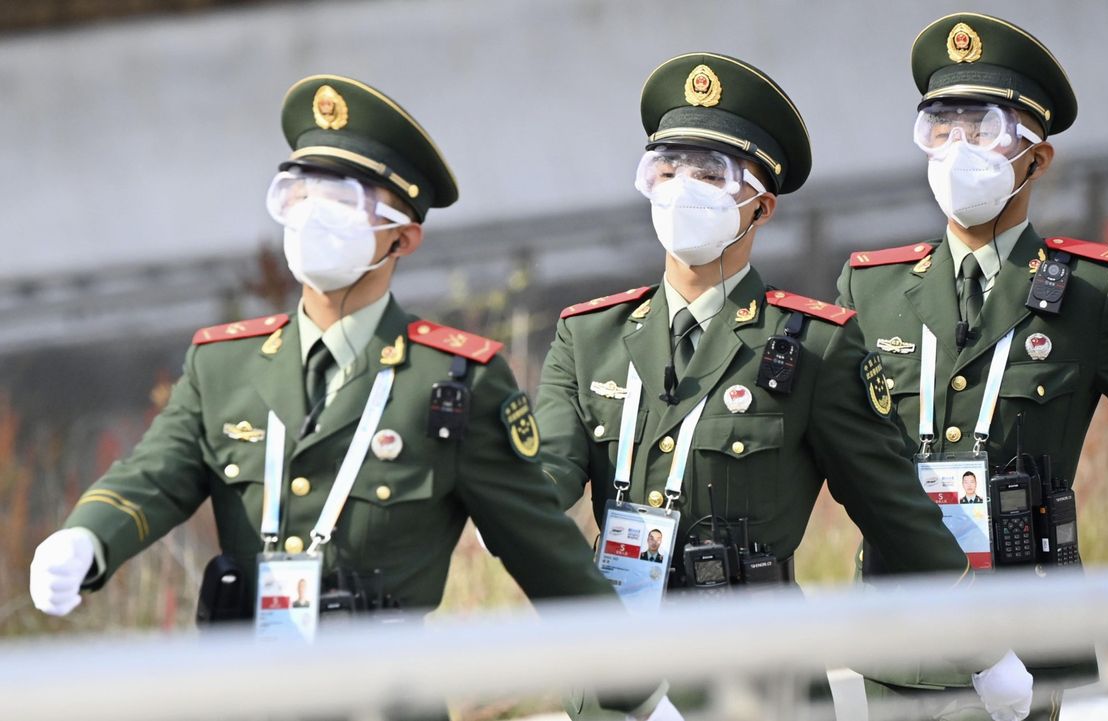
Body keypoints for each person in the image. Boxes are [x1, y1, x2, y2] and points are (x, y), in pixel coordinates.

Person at [28, 74, 658, 720]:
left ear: (401, 235)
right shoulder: (226, 364)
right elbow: (153, 475)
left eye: (344, 197)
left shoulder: (452, 380)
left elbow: (542, 547)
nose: (312, 213)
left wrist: (636, 693)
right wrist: (89, 536)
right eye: (300, 191)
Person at [536, 51, 1031, 721]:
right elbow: (539, 491)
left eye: (711, 175)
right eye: (668, 169)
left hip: (760, 684)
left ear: (760, 205)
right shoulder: (586, 337)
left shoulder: (813, 346)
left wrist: (987, 651)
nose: (684, 189)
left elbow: (894, 509)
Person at [834, 12, 1108, 720]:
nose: (957, 149)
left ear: (1036, 159)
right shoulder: (872, 291)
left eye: (981, 129)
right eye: (941, 127)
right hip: (902, 636)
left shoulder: (1089, 295)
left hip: (1024, 636)